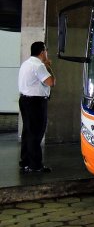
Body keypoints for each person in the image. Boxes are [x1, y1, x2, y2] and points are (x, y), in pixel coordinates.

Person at [18, 41, 55, 173]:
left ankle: (25, 162)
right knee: (36, 133)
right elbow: (51, 82)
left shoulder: (26, 63)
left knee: (28, 132)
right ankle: (35, 165)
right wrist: (48, 66)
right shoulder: (39, 65)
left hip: (24, 100)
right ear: (42, 52)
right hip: (35, 103)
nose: (47, 53)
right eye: (46, 51)